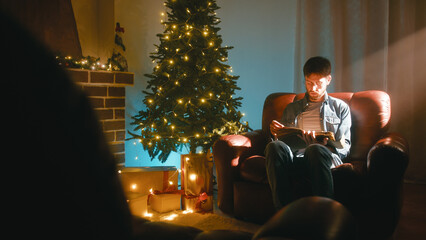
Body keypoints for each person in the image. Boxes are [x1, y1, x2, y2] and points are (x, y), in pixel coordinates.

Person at [265, 56, 351, 210]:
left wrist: (325, 147)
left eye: (318, 83)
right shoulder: (292, 108)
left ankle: (324, 215)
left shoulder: (340, 108)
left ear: (328, 80)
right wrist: (276, 133)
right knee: (274, 146)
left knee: (315, 149)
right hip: (296, 158)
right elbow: (285, 141)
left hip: (324, 158)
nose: (313, 88)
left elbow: (345, 146)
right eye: (309, 83)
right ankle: (283, 213)